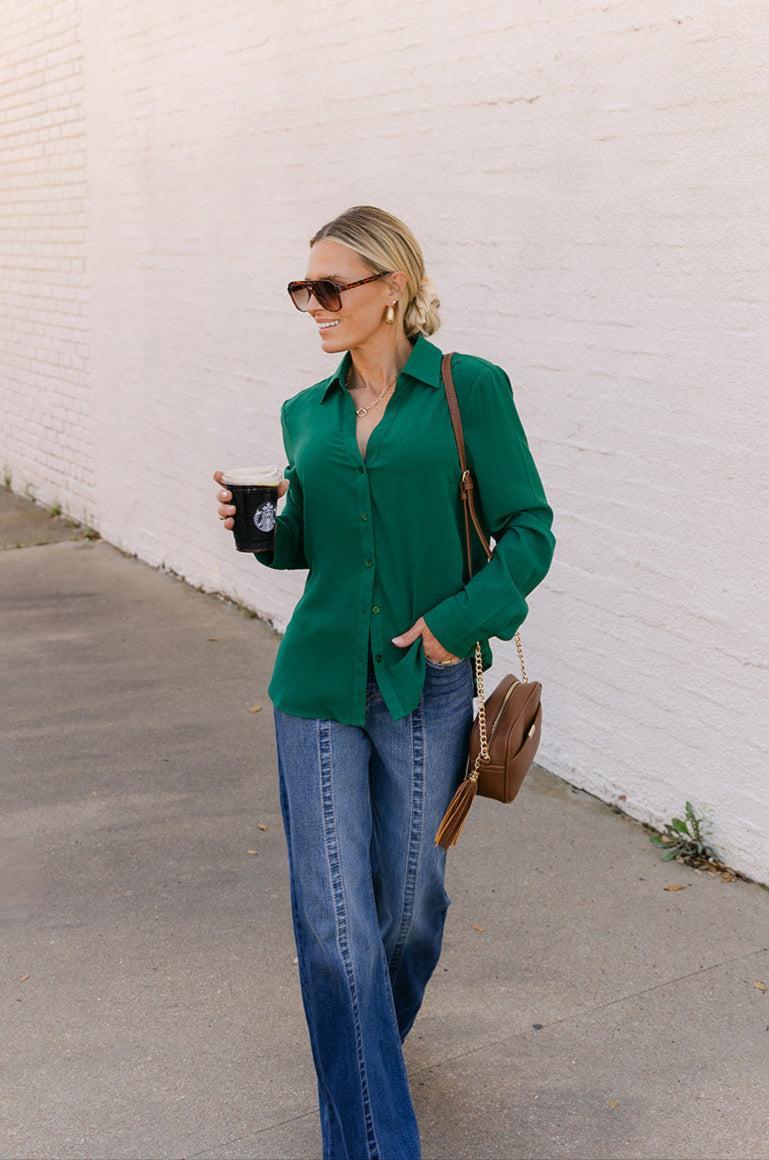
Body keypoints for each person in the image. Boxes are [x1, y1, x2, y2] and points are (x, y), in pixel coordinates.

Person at [212, 205, 556, 1160]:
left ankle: (361, 1058)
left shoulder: (466, 390)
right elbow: (311, 547)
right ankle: (370, 1136)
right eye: (303, 291)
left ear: (392, 286)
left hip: (425, 684)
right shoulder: (305, 412)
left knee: (409, 912)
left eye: (329, 287)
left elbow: (529, 532)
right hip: (316, 685)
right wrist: (261, 530)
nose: (314, 305)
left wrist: (456, 624)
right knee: (336, 925)